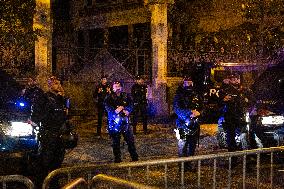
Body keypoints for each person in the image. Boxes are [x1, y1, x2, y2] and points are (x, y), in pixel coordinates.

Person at [104, 81, 139, 163]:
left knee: (130, 141)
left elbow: (131, 104)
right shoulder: (109, 97)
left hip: (125, 122)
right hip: (114, 123)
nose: (117, 88)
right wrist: (115, 111)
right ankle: (117, 159)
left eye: (119, 86)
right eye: (115, 86)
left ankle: (135, 158)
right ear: (113, 88)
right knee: (116, 142)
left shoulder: (126, 96)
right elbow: (107, 106)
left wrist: (127, 110)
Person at [173, 76, 202, 171]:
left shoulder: (196, 94)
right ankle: (182, 166)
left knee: (192, 146)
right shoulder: (179, 94)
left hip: (194, 124)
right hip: (182, 124)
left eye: (190, 81)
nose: (189, 83)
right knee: (182, 145)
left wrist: (200, 112)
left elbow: (202, 106)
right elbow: (177, 109)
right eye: (187, 82)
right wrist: (189, 113)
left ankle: (189, 165)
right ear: (183, 83)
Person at [218, 73, 246, 153]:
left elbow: (251, 101)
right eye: (233, 79)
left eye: (237, 79)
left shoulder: (245, 90)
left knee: (243, 136)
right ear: (230, 80)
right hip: (230, 117)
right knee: (231, 137)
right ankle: (233, 157)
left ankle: (246, 154)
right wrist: (223, 100)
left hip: (242, 117)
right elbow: (218, 104)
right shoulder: (225, 90)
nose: (236, 81)